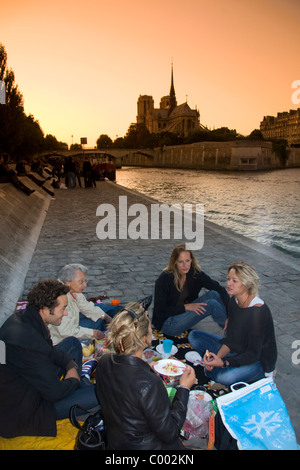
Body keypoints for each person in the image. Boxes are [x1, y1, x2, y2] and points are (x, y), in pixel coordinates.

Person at [0, 279, 99, 438]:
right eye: (63, 308)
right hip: (29, 408)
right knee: (100, 392)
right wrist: (72, 379)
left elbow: (49, 350)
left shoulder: (28, 318)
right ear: (45, 309)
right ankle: (81, 384)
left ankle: (81, 384)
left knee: (73, 343)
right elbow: (54, 392)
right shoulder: (27, 341)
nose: (66, 313)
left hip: (31, 381)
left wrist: (70, 365)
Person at [96, 302, 196, 450]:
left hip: (117, 442)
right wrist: (183, 389)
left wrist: (145, 370)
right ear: (143, 339)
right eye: (150, 328)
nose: (152, 331)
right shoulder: (149, 384)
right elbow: (170, 433)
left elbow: (126, 389)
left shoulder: (104, 362)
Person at [188, 261, 278, 387]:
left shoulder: (258, 312)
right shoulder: (233, 301)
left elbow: (253, 353)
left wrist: (224, 363)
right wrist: (217, 359)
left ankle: (258, 376)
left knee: (223, 376)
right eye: (229, 279)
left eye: (234, 281)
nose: (229, 284)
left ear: (246, 284)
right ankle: (219, 365)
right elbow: (230, 340)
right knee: (194, 336)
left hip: (258, 361)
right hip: (238, 349)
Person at [152, 243, 229, 336]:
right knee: (211, 304)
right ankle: (233, 333)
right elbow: (159, 312)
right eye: (181, 262)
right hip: (168, 323)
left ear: (191, 260)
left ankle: (231, 324)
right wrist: (186, 307)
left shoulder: (194, 274)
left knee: (214, 294)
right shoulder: (165, 279)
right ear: (175, 262)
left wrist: (230, 314)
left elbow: (219, 288)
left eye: (187, 261)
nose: (185, 265)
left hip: (184, 315)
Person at [49, 263, 120, 345]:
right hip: (60, 339)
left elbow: (85, 306)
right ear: (68, 282)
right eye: (81, 282)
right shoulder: (59, 298)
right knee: (99, 323)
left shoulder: (72, 289)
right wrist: (93, 333)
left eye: (85, 281)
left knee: (108, 313)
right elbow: (66, 331)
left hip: (72, 323)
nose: (85, 285)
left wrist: (106, 317)